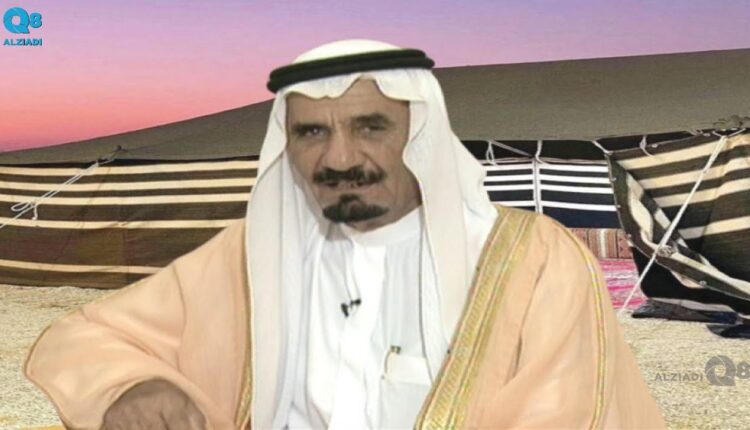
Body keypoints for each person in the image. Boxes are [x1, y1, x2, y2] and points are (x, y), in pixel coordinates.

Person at [25, 39, 665, 429]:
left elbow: (563, 413)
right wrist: (131, 386)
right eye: (312, 132)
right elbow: (85, 338)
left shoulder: (529, 257)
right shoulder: (249, 255)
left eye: (370, 127)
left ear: (419, 134)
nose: (338, 158)